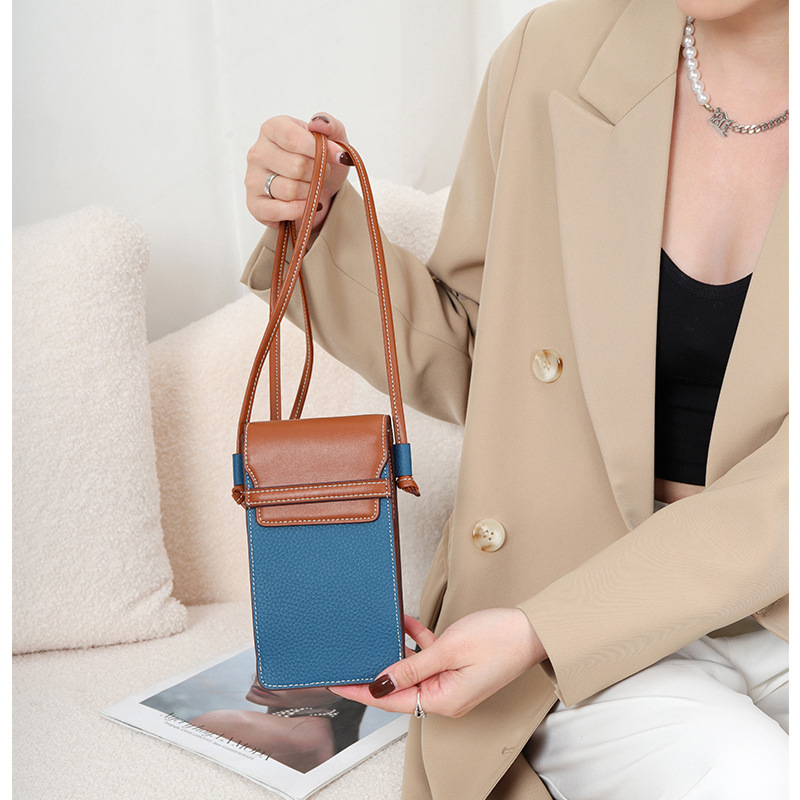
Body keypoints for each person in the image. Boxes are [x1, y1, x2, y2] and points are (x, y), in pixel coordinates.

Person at [240, 0, 789, 797]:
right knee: (755, 776)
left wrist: (540, 630)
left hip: (749, 596)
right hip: (575, 591)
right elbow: (488, 360)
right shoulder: (556, 54)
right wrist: (319, 225)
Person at [189, 680, 366, 773]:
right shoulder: (321, 732)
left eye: (307, 674)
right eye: (278, 657)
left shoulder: (231, 723)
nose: (272, 678)